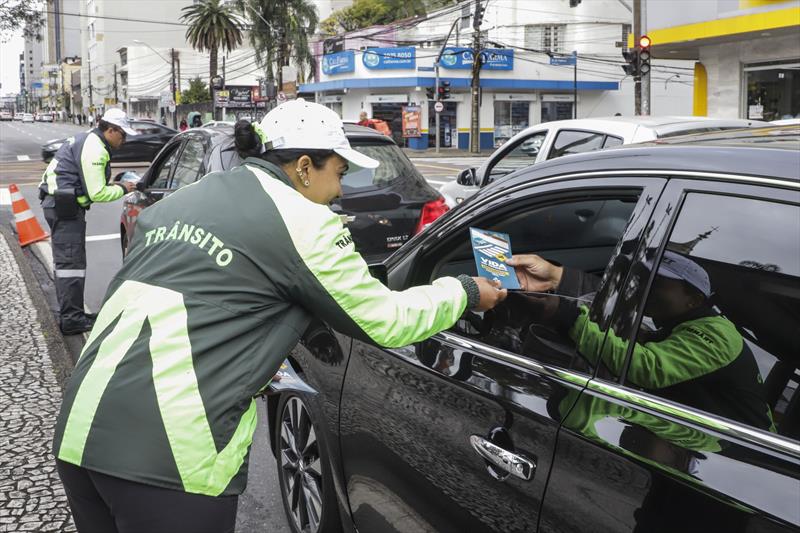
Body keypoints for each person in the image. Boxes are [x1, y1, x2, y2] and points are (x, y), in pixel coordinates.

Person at [52, 99, 507, 533]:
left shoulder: (184, 200)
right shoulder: (303, 219)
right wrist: (465, 290)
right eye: (340, 172)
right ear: (305, 167)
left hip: (81, 428)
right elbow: (384, 319)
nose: (341, 190)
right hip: (168, 453)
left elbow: (206, 297)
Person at [507, 250, 775, 431]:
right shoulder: (679, 326)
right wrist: (557, 276)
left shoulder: (716, 334)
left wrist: (570, 317)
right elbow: (613, 303)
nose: (647, 288)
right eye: (645, 279)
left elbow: (646, 369)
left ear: (693, 300)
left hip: (737, 454)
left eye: (659, 283)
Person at [38, 108, 138, 335]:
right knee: (71, 266)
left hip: (61, 204)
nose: (124, 140)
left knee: (70, 264)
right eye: (122, 134)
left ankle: (73, 313)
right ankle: (72, 320)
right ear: (111, 130)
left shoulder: (91, 140)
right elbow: (97, 193)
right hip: (64, 208)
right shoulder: (95, 149)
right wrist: (123, 188)